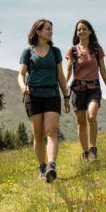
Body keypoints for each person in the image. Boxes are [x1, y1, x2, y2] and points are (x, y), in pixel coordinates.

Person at [18, 19, 70, 182]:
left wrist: (66, 97)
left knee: (51, 130)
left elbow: (60, 76)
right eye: (47, 29)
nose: (50, 32)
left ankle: (51, 166)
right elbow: (20, 74)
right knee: (38, 134)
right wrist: (22, 86)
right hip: (33, 96)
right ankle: (42, 167)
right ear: (38, 31)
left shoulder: (55, 52)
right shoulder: (28, 52)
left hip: (52, 95)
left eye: (51, 29)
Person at [65, 19, 106, 162]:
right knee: (81, 123)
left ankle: (93, 149)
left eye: (84, 29)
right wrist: (63, 86)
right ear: (76, 33)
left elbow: (103, 70)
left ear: (90, 31)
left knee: (91, 116)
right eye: (79, 29)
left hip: (94, 88)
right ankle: (85, 153)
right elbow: (67, 70)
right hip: (77, 89)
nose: (81, 31)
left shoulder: (97, 49)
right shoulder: (72, 50)